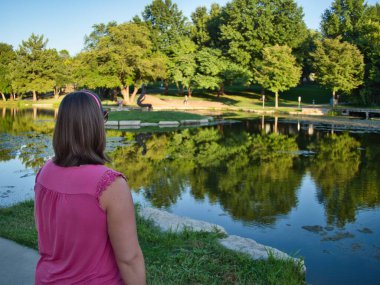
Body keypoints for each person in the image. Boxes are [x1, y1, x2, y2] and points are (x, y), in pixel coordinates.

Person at [34, 90, 146, 285]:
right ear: (96, 124)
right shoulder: (111, 185)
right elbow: (129, 259)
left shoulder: (44, 172)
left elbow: (43, 233)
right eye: (104, 117)